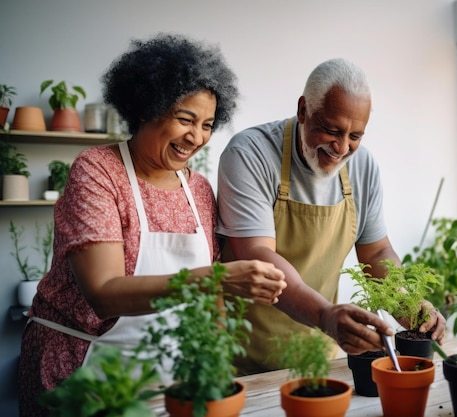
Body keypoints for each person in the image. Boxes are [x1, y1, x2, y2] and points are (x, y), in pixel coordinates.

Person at [18, 34, 286, 417]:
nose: (196, 137)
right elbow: (104, 293)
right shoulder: (97, 171)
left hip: (166, 376)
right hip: (82, 370)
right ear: (147, 107)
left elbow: (214, 303)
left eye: (208, 124)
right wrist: (217, 278)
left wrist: (216, 360)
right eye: (185, 119)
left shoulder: (198, 189)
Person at [217, 58, 446, 375]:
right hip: (243, 359)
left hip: (318, 356)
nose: (341, 148)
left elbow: (376, 252)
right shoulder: (250, 153)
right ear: (302, 111)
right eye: (331, 130)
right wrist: (325, 315)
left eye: (356, 135)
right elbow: (258, 254)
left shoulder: (363, 166)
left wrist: (410, 305)